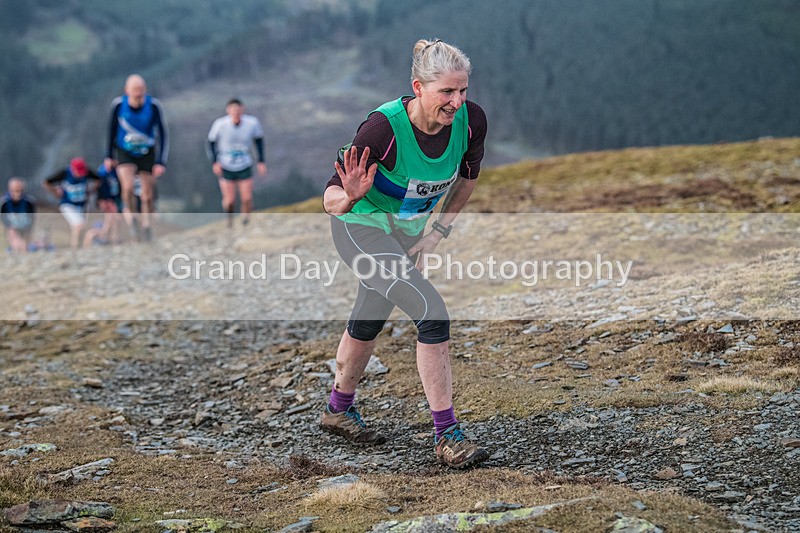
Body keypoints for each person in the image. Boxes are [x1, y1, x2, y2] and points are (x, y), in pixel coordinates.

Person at [320, 39, 489, 468]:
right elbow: (331, 198)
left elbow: (467, 179)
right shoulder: (382, 130)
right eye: (446, 92)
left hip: (407, 235)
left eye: (462, 91)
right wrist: (351, 197)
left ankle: (338, 409)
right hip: (361, 227)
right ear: (418, 87)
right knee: (432, 313)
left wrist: (437, 234)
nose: (457, 102)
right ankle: (447, 435)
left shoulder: (471, 123)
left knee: (371, 312)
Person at [104, 74, 168, 242]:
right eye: (134, 89)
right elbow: (111, 130)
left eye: (140, 89)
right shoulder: (119, 105)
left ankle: (146, 225)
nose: (138, 93)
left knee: (147, 194)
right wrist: (108, 156)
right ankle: (133, 219)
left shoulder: (153, 106)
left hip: (147, 152)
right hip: (125, 151)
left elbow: (162, 133)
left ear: (145, 90)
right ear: (127, 91)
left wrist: (161, 161)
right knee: (128, 188)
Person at [207, 98, 267, 227]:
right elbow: (211, 143)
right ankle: (229, 220)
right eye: (233, 109)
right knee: (229, 200)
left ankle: (246, 221)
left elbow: (259, 141)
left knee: (247, 198)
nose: (236, 112)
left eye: (238, 109)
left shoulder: (252, 123)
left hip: (244, 162)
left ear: (242, 109)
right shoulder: (220, 124)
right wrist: (215, 162)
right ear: (228, 110)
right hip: (225, 164)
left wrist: (261, 161)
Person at [44, 158, 100, 249]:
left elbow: (98, 179)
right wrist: (55, 192)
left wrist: (91, 191)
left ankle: (77, 247)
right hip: (67, 204)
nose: (80, 174)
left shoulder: (87, 172)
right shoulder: (65, 173)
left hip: (81, 205)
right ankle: (76, 248)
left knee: (79, 227)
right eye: (78, 172)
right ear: (72, 168)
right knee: (79, 225)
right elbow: (46, 182)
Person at [83, 164, 123, 246]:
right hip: (105, 200)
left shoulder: (115, 172)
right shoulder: (103, 172)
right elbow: (99, 188)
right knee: (111, 222)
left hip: (111, 200)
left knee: (111, 222)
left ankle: (112, 238)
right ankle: (91, 240)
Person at [1, 177, 36, 253]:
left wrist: (28, 228)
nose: (18, 194)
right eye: (15, 191)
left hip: (25, 225)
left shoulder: (29, 201)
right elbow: (4, 218)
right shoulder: (5, 202)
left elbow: (31, 218)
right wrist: (10, 228)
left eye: (20, 191)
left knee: (24, 246)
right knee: (15, 240)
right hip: (12, 226)